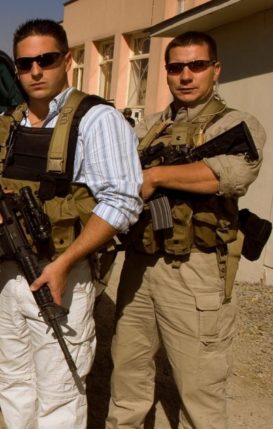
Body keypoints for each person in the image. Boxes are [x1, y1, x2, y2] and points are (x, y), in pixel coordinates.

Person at [0, 19, 142, 428]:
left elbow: (122, 203)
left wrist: (65, 263)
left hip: (63, 274)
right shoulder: (5, 125)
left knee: (59, 391)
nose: (35, 71)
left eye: (45, 60)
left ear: (67, 60)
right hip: (7, 276)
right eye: (25, 63)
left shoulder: (97, 121)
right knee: (12, 380)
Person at [107, 31, 266, 429]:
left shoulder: (236, 125)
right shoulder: (150, 127)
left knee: (200, 392)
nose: (186, 76)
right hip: (141, 267)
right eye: (176, 67)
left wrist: (157, 175)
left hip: (196, 272)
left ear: (215, 70)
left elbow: (229, 175)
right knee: (127, 378)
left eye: (196, 66)